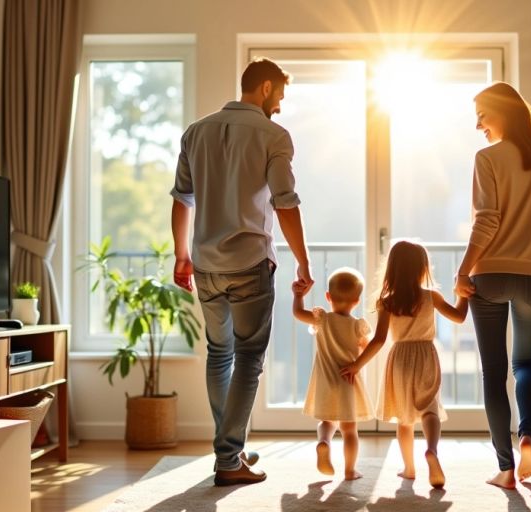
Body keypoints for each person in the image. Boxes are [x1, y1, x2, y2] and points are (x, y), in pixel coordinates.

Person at [170, 57, 314, 487]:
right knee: (249, 357)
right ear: (266, 87)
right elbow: (284, 202)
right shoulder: (273, 135)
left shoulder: (196, 131)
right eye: (281, 96)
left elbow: (182, 199)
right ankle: (229, 457)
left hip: (206, 265)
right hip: (250, 263)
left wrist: (182, 254)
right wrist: (304, 261)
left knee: (220, 354)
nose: (282, 106)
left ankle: (229, 447)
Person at [453, 81, 531, 490]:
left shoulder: (487, 158)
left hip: (490, 274)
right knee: (525, 364)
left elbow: (486, 221)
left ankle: (506, 468)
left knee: (493, 372)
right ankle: (527, 437)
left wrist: (463, 270)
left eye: (482, 115)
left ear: (502, 112)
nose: (477, 126)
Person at [341, 241, 468, 490]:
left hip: (399, 360)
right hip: (426, 356)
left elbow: (378, 341)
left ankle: (409, 468)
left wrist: (357, 364)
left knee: (405, 418)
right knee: (430, 409)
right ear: (422, 269)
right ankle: (431, 450)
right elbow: (459, 317)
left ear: (393, 269)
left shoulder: (387, 301)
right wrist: (463, 294)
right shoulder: (431, 297)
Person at [292, 267, 373, 481]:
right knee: (349, 429)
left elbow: (298, 313)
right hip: (347, 381)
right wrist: (357, 359)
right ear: (356, 301)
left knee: (327, 421)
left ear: (328, 297)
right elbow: (366, 348)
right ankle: (349, 470)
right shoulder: (357, 326)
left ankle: (324, 442)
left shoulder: (322, 319)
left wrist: (298, 296)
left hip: (325, 382)